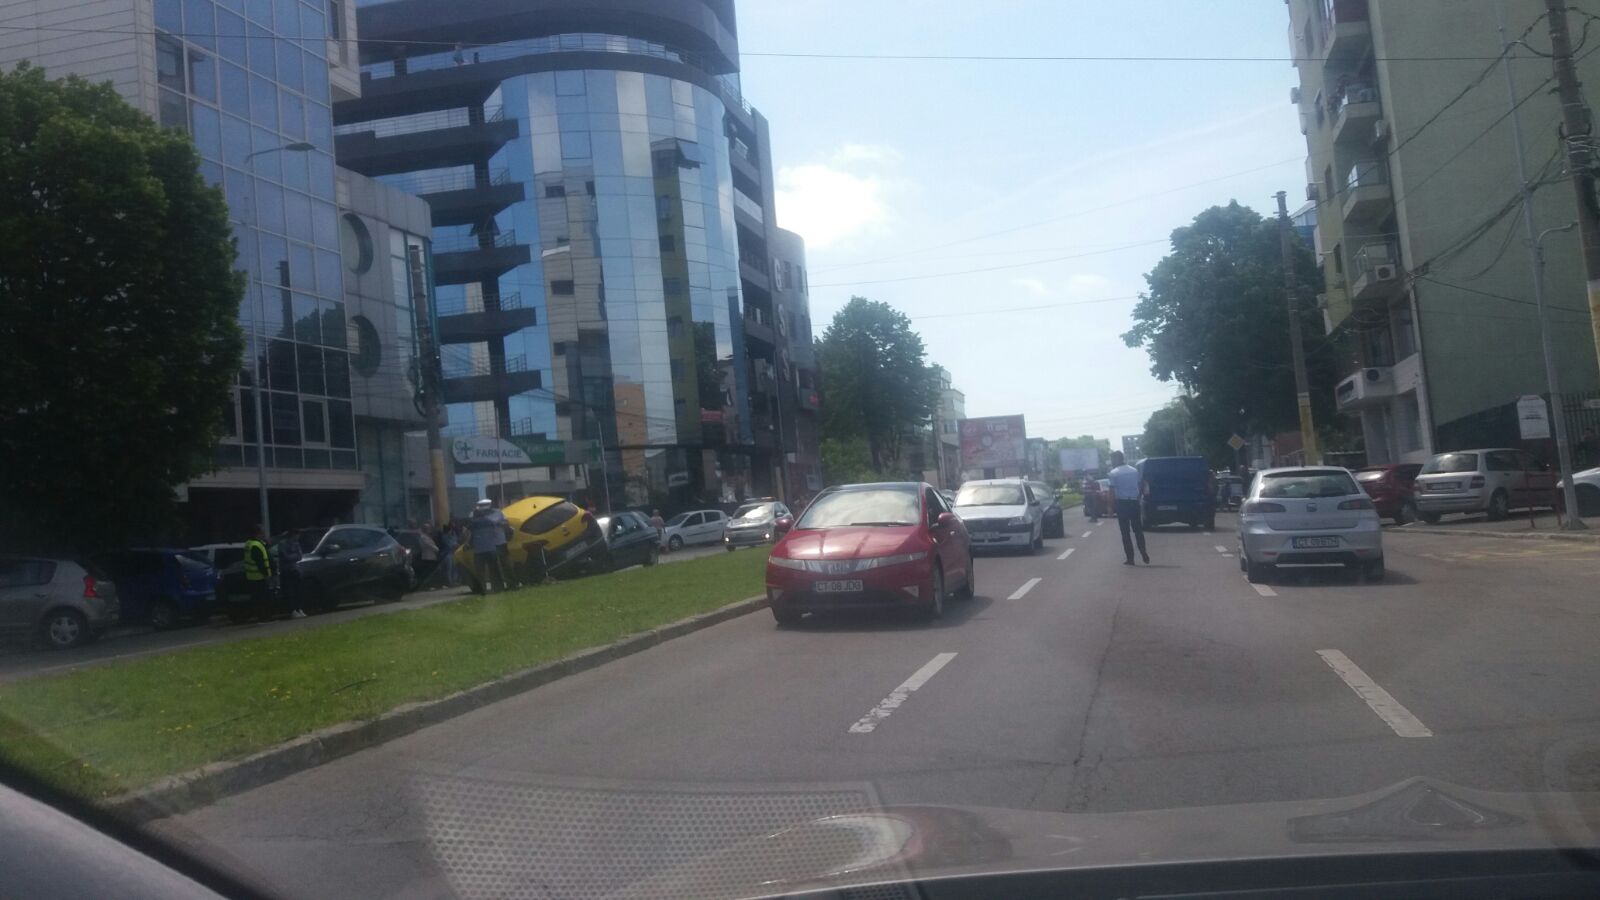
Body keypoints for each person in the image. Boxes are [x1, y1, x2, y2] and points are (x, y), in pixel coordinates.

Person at [1107, 451, 1149, 566]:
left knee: (1125, 532)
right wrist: (1139, 497)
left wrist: (1110, 506)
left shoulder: (1113, 473)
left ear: (1116, 459)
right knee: (1138, 530)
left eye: (1112, 459)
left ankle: (1130, 558)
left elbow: (1111, 491)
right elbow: (1141, 485)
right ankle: (1143, 550)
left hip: (1122, 503)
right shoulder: (1134, 471)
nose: (1111, 462)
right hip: (1134, 503)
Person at [466, 501, 507, 592]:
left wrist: (469, 544)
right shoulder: (490, 522)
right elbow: (495, 533)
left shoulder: (473, 524)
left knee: (480, 572)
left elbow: (468, 534)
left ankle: (483, 589)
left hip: (479, 551)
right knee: (494, 570)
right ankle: (497, 588)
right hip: (491, 549)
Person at [272, 529, 307, 618]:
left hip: (295, 570)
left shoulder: (296, 544)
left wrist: (293, 555)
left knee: (298, 590)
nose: (298, 537)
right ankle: (292, 610)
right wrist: (295, 555)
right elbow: (285, 557)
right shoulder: (283, 544)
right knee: (289, 591)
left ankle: (299, 608)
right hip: (286, 570)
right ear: (293, 535)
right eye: (297, 535)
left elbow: (300, 556)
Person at [242, 524, 274, 620]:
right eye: (262, 532)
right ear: (258, 533)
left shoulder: (249, 543)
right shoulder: (256, 545)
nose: (264, 534)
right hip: (259, 576)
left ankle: (261, 616)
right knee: (263, 598)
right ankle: (265, 617)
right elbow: (260, 562)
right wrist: (266, 574)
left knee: (257, 598)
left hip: (252, 576)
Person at [416, 521, 440, 587]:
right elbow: (430, 545)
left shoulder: (427, 536)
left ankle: (432, 584)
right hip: (428, 556)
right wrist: (437, 549)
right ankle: (429, 585)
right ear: (425, 529)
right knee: (429, 571)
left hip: (431, 556)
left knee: (431, 571)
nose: (430, 530)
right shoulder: (423, 537)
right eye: (428, 528)